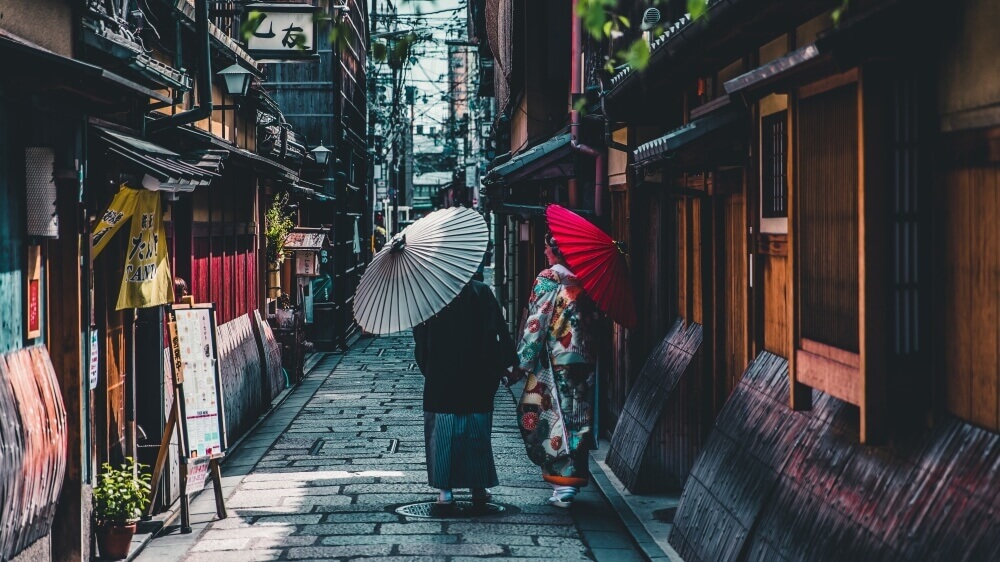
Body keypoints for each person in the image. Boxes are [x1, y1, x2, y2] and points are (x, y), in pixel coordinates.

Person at [412, 274, 518, 507]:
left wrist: (429, 369)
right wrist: (502, 367)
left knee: (442, 434)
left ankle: (445, 492)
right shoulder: (481, 292)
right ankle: (478, 489)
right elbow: (497, 333)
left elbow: (420, 341)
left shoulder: (429, 296)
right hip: (477, 375)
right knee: (476, 432)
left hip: (441, 377)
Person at [513, 233, 597, 508]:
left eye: (548, 248)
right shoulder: (581, 278)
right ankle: (569, 482)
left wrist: (523, 361)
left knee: (546, 415)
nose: (545, 252)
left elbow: (537, 320)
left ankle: (561, 485)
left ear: (558, 251)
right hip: (582, 359)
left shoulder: (550, 276)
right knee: (577, 417)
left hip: (554, 359)